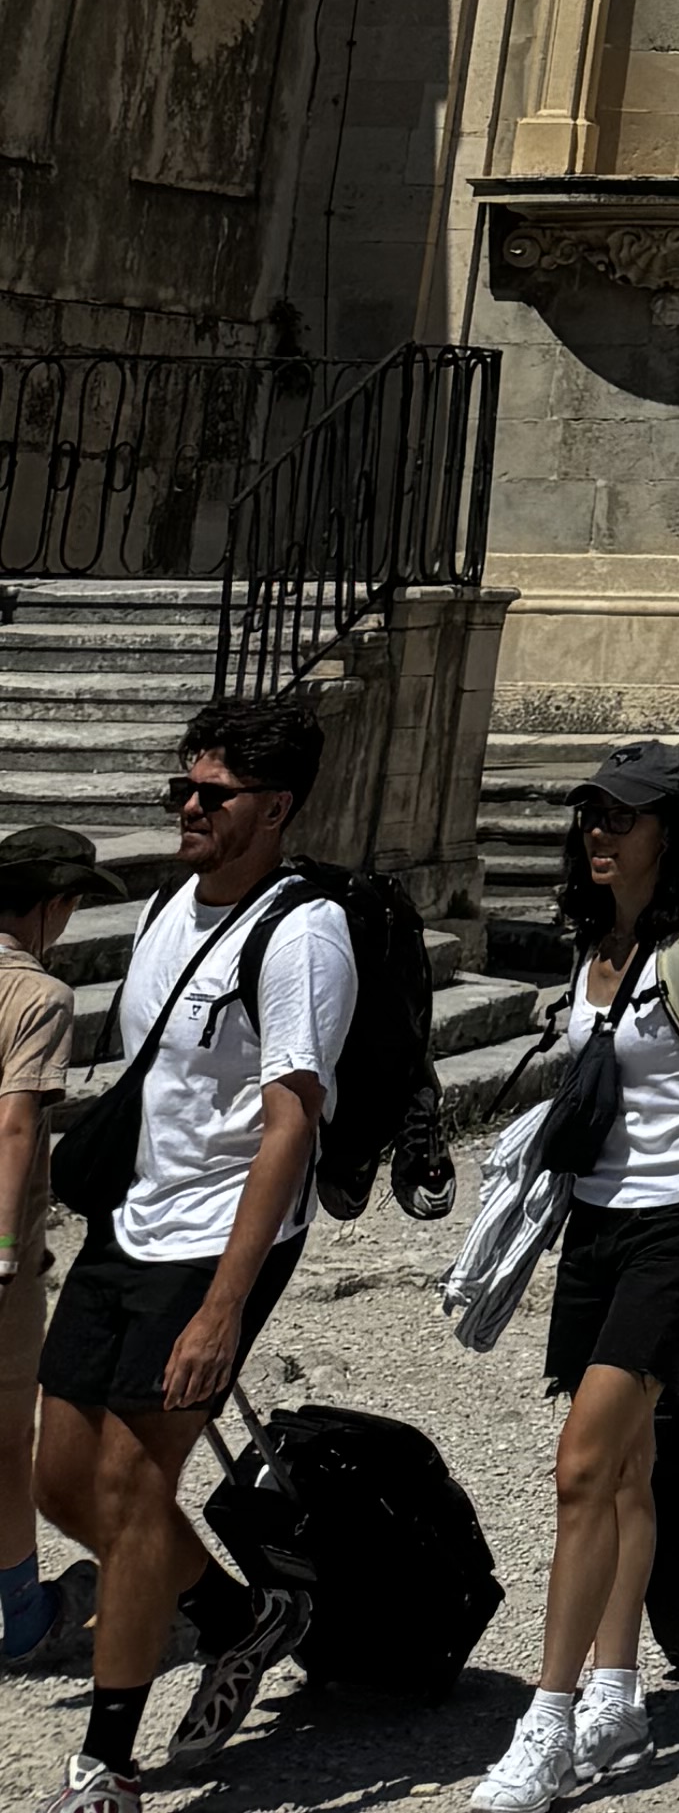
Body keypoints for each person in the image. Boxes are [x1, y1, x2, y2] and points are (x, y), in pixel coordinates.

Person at [34, 691, 356, 1801]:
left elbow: (290, 1124)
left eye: (211, 794)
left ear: (275, 808)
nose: (186, 806)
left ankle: (106, 1767)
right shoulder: (171, 903)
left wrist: (224, 1307)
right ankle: (238, 1615)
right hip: (132, 1220)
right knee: (63, 1484)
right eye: (181, 785)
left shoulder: (303, 934)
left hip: (220, 1239)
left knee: (132, 1489)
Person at [471, 740, 679, 1811]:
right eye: (592, 813)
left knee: (581, 1470)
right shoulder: (595, 939)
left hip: (677, 1227)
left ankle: (547, 1721)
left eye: (622, 816)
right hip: (594, 1226)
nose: (600, 831)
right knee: (628, 1469)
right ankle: (618, 1691)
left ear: (669, 832)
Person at [0, 823, 98, 1674]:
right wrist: (4, 1251)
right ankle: (26, 1615)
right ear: (52, 905)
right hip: (2, 1247)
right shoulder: (39, 997)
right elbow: (17, 1123)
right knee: (5, 1439)